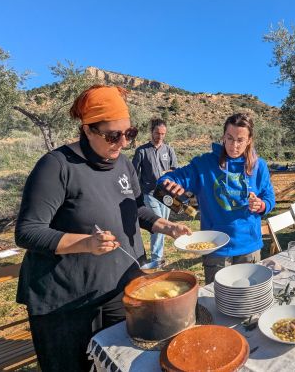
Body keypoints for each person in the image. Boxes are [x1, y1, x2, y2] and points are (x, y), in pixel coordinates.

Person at [14, 85, 191, 371]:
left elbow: (137, 209)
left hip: (119, 291)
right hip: (67, 303)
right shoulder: (56, 166)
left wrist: (165, 226)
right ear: (87, 130)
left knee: (119, 364)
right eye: (112, 135)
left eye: (129, 133)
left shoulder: (123, 165)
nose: (122, 142)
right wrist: (86, 243)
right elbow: (28, 231)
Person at [158, 113, 276, 284]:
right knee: (216, 302)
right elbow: (166, 182)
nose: (234, 145)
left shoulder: (259, 166)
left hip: (249, 245)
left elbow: (269, 197)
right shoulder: (204, 164)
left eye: (240, 140)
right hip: (215, 247)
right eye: (229, 138)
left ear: (249, 140)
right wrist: (171, 189)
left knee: (247, 301)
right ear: (223, 136)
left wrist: (262, 205)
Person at [132, 118, 178, 267]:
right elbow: (133, 173)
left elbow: (176, 170)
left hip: (166, 195)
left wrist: (168, 173)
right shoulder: (142, 151)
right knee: (158, 225)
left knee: (163, 226)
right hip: (149, 193)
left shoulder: (169, 150)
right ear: (151, 132)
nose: (160, 136)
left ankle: (158, 257)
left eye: (163, 134)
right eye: (157, 133)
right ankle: (156, 260)